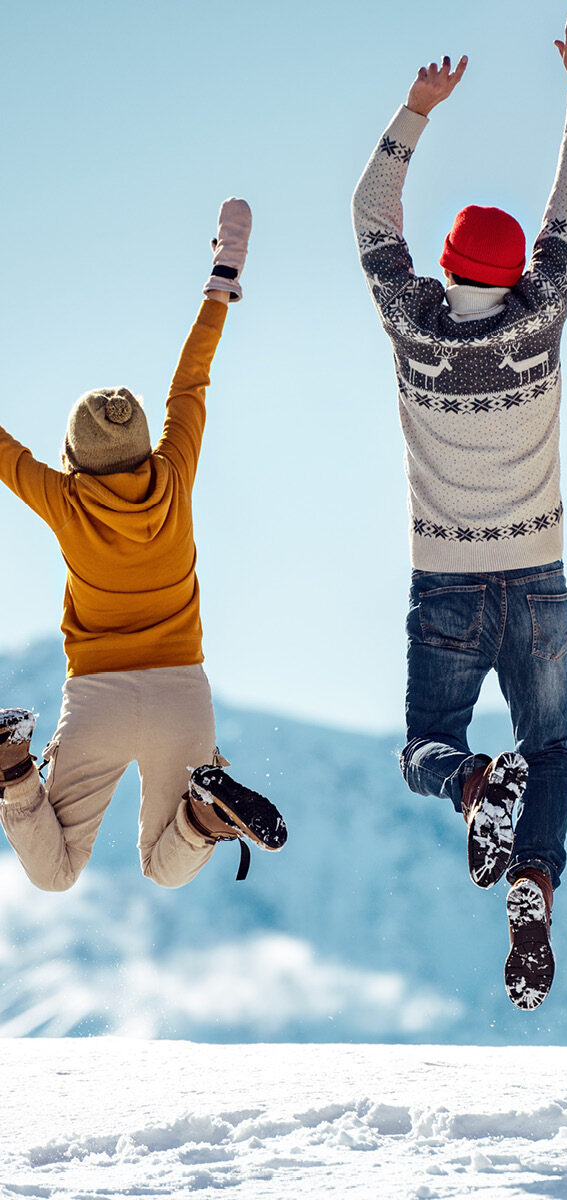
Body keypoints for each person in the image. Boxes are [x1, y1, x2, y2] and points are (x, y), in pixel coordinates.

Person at [351, 10, 567, 1010]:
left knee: (425, 745)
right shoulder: (541, 318)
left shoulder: (413, 324)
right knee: (552, 754)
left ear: (448, 266)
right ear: (512, 274)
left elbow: (371, 213)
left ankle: (465, 784)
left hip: (446, 581)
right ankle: (533, 879)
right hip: (538, 578)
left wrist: (416, 110)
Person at [0, 199, 287, 892]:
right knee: (165, 868)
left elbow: (5, 453)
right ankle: (204, 816)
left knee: (56, 873)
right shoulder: (173, 474)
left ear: (74, 459)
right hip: (180, 693)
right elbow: (191, 379)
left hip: (95, 698)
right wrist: (222, 278)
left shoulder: (65, 499)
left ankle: (12, 768)